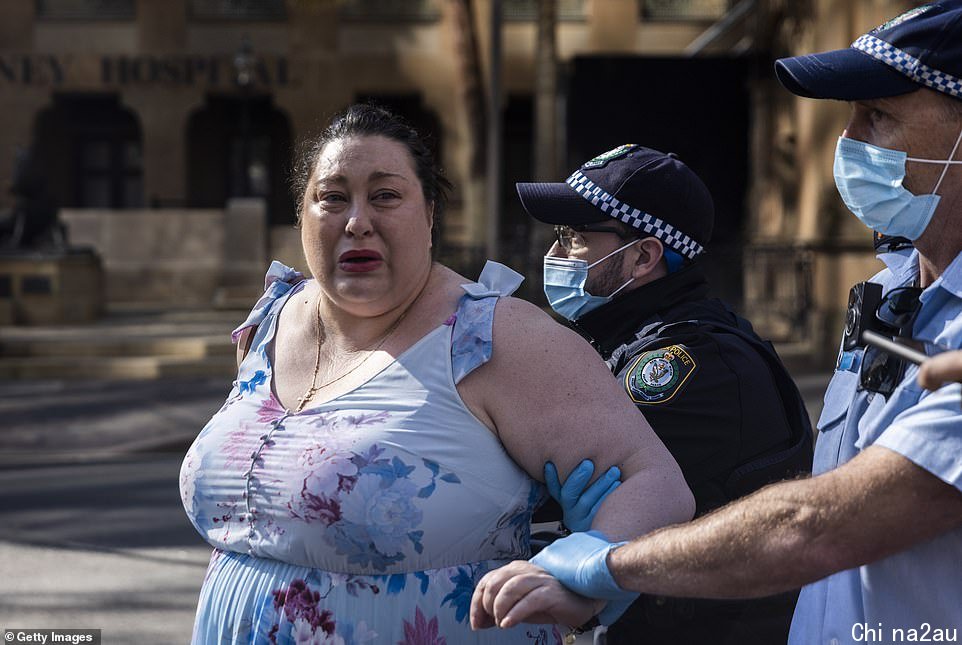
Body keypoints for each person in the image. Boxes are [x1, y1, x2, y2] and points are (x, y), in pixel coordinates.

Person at [469, 2, 962, 642]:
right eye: (849, 117)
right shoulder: (891, 295)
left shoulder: (696, 361)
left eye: (879, 116)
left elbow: (814, 528)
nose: (848, 142)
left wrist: (608, 564)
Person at [179, 104, 695, 644]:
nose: (356, 221)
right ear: (302, 217)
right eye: (331, 198)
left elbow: (654, 483)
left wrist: (582, 580)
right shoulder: (269, 320)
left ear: (428, 216)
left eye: (385, 196)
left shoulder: (495, 336)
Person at [516, 146, 813, 643]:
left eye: (573, 237)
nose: (554, 255)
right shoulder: (631, 334)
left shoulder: (690, 364)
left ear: (643, 256)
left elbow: (534, 487)